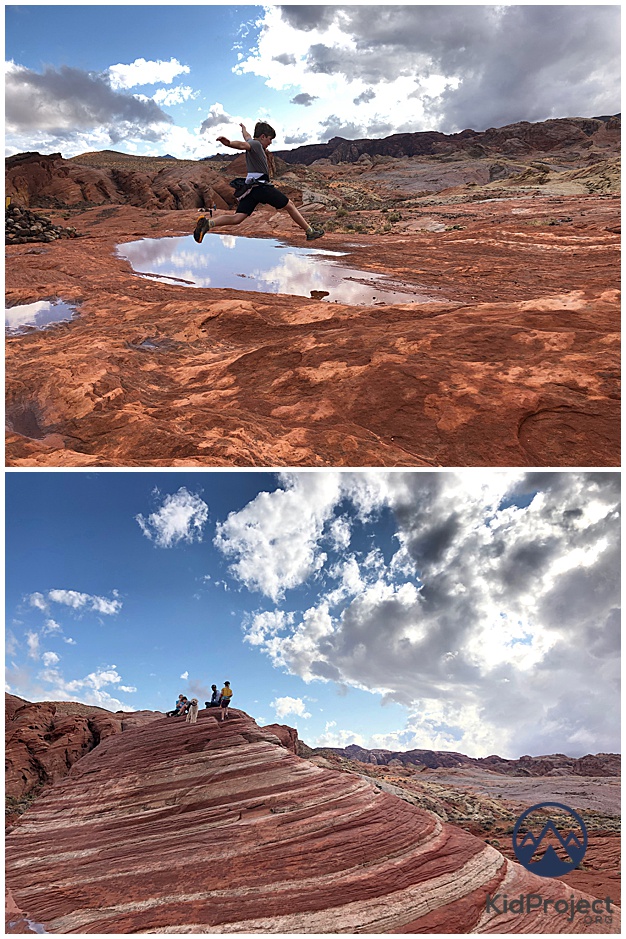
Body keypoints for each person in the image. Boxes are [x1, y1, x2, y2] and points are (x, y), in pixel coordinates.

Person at [194, 121, 324, 243]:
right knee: (289, 205)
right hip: (260, 186)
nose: (270, 142)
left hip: (250, 188)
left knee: (238, 217)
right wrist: (229, 144)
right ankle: (310, 231)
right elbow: (243, 145)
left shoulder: (254, 142)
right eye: (270, 139)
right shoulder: (256, 145)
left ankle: (208, 223)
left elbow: (247, 138)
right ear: (263, 137)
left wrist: (243, 129)